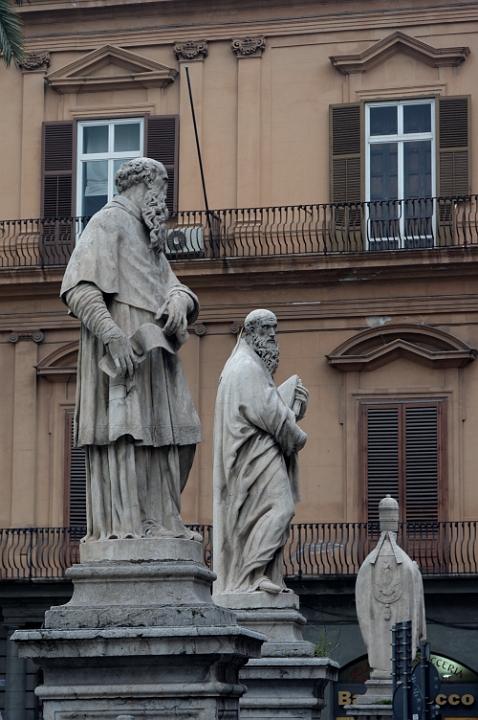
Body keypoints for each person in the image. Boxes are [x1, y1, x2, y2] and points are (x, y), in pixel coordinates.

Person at [60, 157, 201, 543]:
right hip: (126, 354)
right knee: (129, 437)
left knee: (179, 435)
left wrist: (178, 302)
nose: (165, 200)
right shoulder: (106, 222)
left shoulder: (150, 236)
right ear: (148, 186)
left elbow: (174, 284)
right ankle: (129, 525)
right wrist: (111, 334)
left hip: (157, 355)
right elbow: (78, 287)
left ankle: (164, 519)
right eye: (163, 190)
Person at [213, 309, 308, 595]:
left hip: (255, 456)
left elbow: (264, 408)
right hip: (253, 460)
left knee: (264, 514)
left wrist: (289, 406)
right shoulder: (247, 368)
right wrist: (296, 423)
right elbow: (273, 416)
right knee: (281, 509)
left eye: (274, 330)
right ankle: (249, 576)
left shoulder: (246, 366)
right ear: (252, 333)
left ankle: (259, 575)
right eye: (267, 330)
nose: (273, 337)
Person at [356, 495, 426, 679]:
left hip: (376, 629)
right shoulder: (407, 565)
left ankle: (380, 664)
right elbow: (415, 608)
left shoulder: (367, 565)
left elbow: (361, 609)